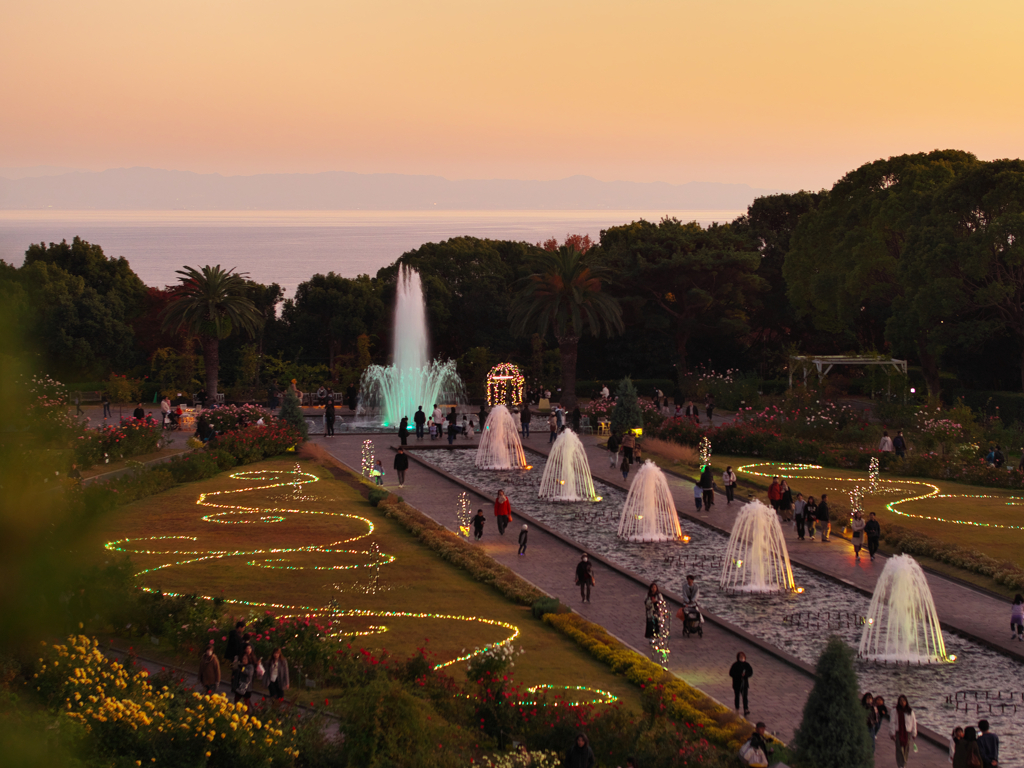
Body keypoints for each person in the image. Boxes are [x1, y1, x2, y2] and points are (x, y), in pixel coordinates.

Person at [889, 694, 917, 767]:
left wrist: (914, 733)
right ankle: (900, 764)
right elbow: (892, 722)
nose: (902, 702)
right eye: (900, 701)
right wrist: (892, 733)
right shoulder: (895, 711)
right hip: (898, 732)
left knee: (906, 748)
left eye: (904, 700)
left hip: (906, 732)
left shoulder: (910, 711)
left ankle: (904, 763)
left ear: (906, 701)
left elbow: (913, 722)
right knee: (899, 749)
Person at [729, 652, 753, 716]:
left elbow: (750, 672)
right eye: (741, 657)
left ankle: (746, 709)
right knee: (737, 697)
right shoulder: (735, 665)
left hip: (744, 684)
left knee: (745, 697)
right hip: (737, 684)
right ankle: (737, 709)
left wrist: (745, 675)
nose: (742, 658)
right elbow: (731, 673)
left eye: (743, 657)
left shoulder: (747, 665)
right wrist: (739, 675)